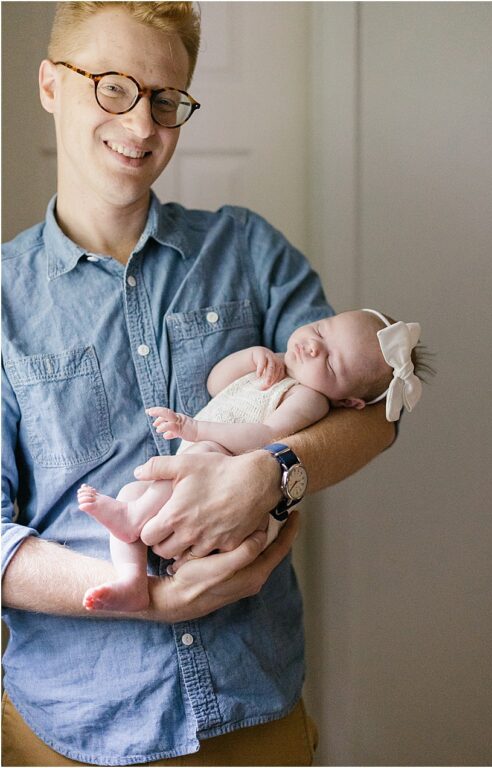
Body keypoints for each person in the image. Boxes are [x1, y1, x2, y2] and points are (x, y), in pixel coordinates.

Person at [1, 3, 395, 765]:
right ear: (51, 85)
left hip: (257, 705)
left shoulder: (246, 249)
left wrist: (271, 474)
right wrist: (146, 597)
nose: (143, 127)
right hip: (79, 724)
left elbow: (375, 416)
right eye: (113, 87)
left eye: (166, 100)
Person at [77, 309, 424, 613]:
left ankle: (132, 520)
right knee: (131, 490)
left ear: (349, 402)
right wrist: (249, 358)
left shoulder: (309, 398)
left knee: (196, 459)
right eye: (320, 329)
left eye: (331, 363)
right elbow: (217, 385)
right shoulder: (277, 362)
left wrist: (194, 429)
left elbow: (265, 437)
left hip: (224, 476)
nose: (314, 346)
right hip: (192, 479)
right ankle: (132, 579)